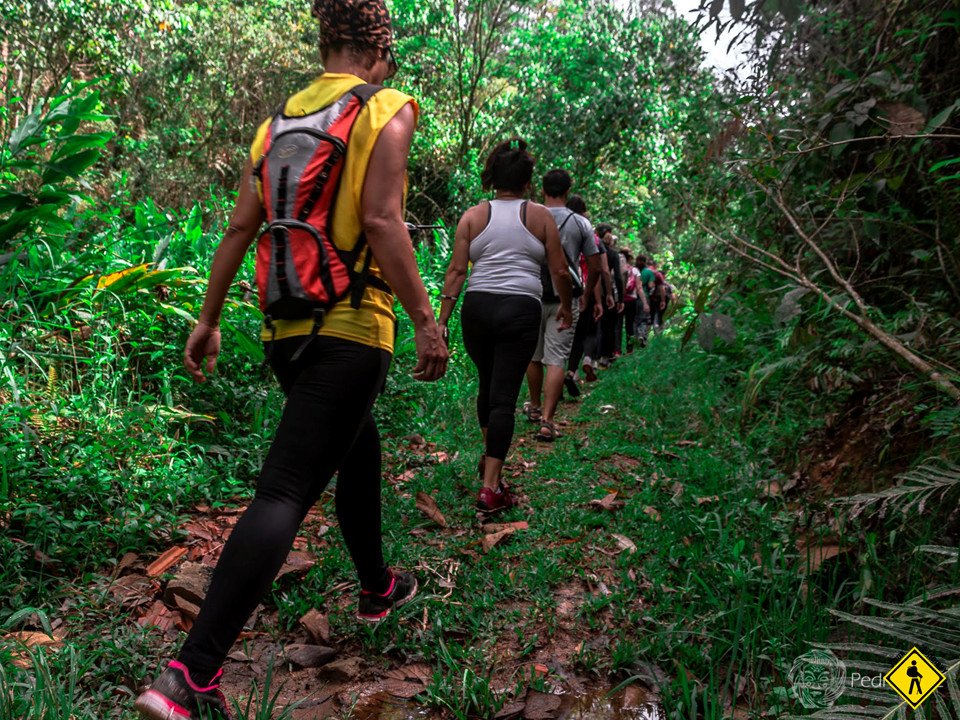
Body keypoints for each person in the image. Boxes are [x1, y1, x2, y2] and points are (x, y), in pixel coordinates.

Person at [135, 3, 449, 718]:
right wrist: (426, 319)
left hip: (286, 331)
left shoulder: (278, 124)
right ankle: (192, 675)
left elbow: (242, 228)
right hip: (351, 327)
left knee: (355, 442)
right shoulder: (386, 108)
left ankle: (377, 586)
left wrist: (208, 320)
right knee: (285, 491)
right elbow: (380, 219)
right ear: (379, 52)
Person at [438, 139, 572, 513]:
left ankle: (488, 461)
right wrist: (565, 306)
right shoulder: (541, 216)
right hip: (520, 309)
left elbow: (456, 271)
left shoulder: (472, 216)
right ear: (529, 183)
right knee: (504, 397)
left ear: (493, 178)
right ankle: (491, 487)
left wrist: (441, 321)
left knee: (488, 384)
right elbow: (559, 270)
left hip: (477, 308)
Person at [524, 169, 600, 441]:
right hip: (565, 298)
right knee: (556, 359)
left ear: (541, 189)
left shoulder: (530, 217)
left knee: (533, 355)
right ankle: (547, 420)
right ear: (569, 191)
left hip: (532, 294)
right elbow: (594, 265)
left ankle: (533, 407)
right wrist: (587, 295)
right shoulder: (580, 222)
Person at [595, 224, 624, 369]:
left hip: (589, 288)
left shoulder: (589, 248)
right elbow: (617, 277)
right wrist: (619, 298)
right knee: (608, 326)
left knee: (592, 326)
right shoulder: (612, 254)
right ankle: (605, 356)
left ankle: (591, 356)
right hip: (606, 291)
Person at [619, 249, 640, 353]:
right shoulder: (635, 270)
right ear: (630, 258)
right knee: (629, 325)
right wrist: (645, 303)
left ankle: (616, 350)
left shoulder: (617, 268)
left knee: (617, 325)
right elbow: (639, 288)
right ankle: (630, 348)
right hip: (632, 300)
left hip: (619, 299)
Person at [635, 254, 655, 348]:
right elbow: (651, 285)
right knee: (644, 318)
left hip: (633, 297)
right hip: (644, 296)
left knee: (634, 319)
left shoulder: (633, 270)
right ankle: (642, 335)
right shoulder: (649, 272)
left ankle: (634, 338)